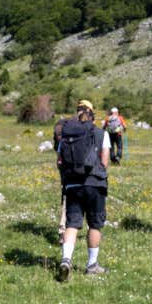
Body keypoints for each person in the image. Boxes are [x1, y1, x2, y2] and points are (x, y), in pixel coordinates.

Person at [53, 99, 110, 280]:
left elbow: (59, 161)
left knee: (72, 223)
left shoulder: (67, 134)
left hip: (72, 185)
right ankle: (92, 265)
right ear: (92, 115)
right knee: (94, 224)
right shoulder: (102, 133)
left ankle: (66, 260)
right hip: (95, 184)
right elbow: (105, 161)